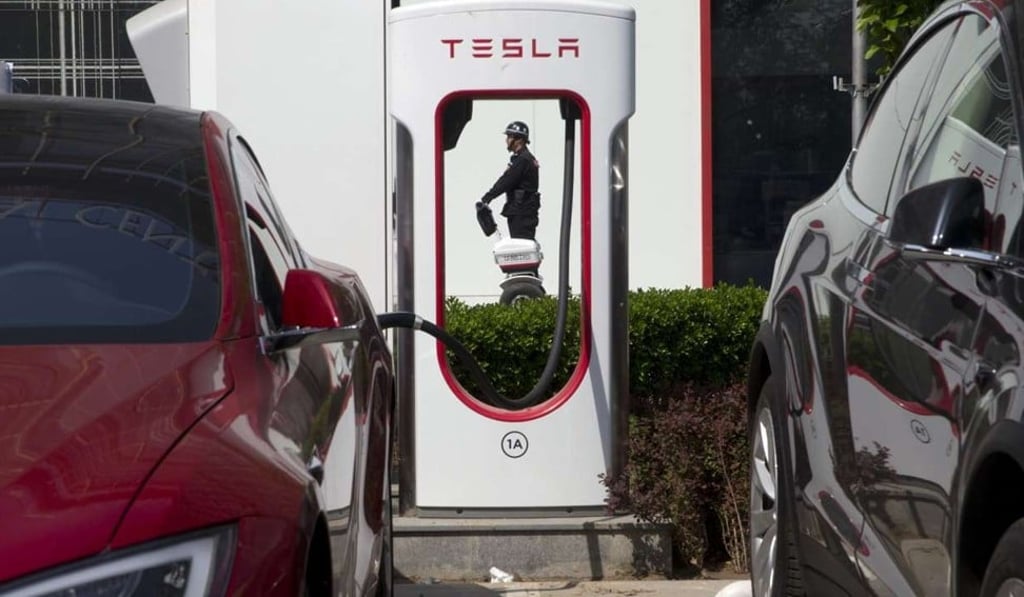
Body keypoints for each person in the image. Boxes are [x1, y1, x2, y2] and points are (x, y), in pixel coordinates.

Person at [478, 121, 540, 240]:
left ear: (519, 140)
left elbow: (506, 181)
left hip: (521, 212)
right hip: (523, 211)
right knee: (521, 246)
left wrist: (487, 198)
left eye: (509, 136)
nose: (506, 140)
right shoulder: (523, 158)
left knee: (521, 247)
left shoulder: (523, 160)